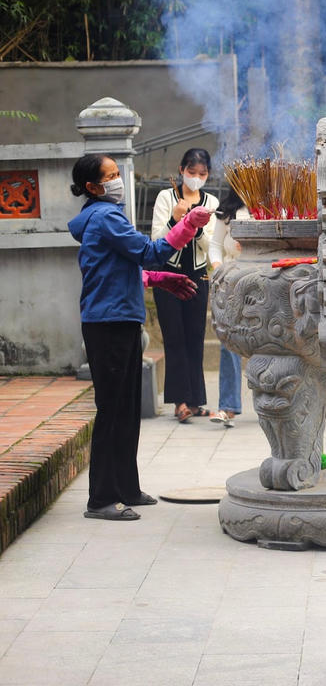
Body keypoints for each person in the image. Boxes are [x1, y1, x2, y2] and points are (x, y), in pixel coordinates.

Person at [67, 153, 211, 520]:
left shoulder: (103, 217)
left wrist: (159, 279)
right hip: (109, 323)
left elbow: (122, 266)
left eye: (118, 172)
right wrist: (187, 225)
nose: (117, 179)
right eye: (111, 175)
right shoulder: (105, 217)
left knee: (128, 409)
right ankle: (100, 499)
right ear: (92, 186)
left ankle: (127, 487)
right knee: (113, 410)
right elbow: (150, 253)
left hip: (121, 318)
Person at [150, 148, 220, 422]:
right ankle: (179, 402)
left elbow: (209, 243)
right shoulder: (166, 197)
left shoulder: (210, 201)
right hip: (168, 276)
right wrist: (176, 218)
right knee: (175, 339)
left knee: (195, 338)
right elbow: (157, 239)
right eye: (191, 173)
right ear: (181, 170)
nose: (196, 178)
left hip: (198, 275)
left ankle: (195, 401)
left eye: (202, 174)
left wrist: (197, 223)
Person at [209, 189, 249, 428]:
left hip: (263, 277)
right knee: (228, 341)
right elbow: (215, 245)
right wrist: (218, 269)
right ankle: (228, 405)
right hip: (231, 280)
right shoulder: (226, 213)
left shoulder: (268, 208)